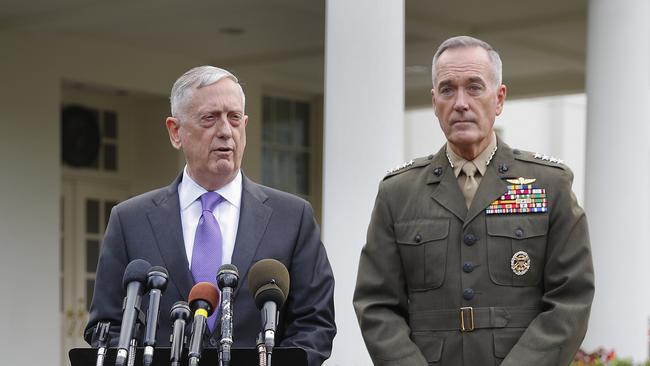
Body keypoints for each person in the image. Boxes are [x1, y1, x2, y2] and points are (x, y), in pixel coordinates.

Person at [353, 36, 594, 365]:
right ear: (434, 101)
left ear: (499, 99)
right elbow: (377, 305)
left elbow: (571, 299)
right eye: (448, 89)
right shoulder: (399, 193)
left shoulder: (549, 185)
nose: (461, 102)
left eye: (474, 87)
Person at [85, 66, 336, 365]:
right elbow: (106, 326)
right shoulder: (130, 221)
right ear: (175, 131)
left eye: (234, 118)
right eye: (210, 118)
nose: (225, 131)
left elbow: (315, 323)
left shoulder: (293, 218)